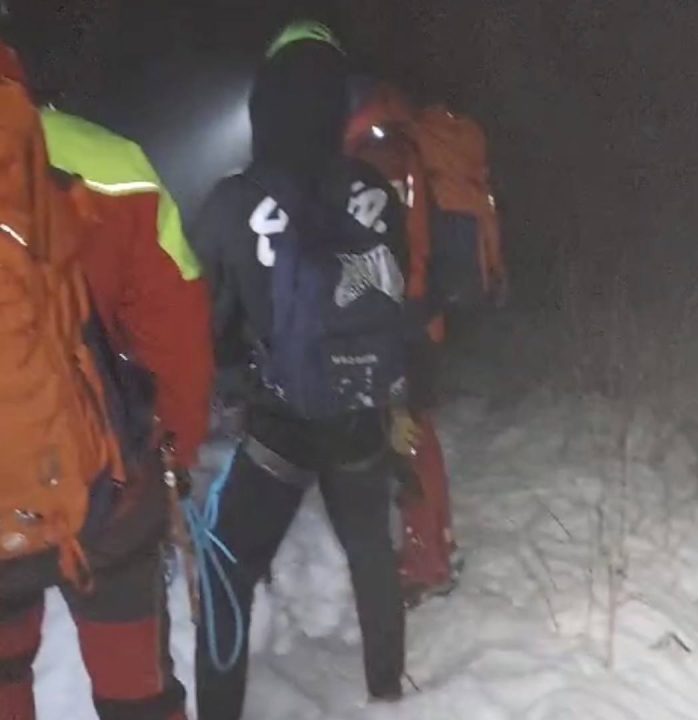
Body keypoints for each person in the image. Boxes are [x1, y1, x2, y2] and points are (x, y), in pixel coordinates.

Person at [192, 21, 408, 719]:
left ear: (265, 103)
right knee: (371, 554)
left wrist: (231, 379)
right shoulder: (376, 191)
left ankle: (218, 710)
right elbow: (399, 294)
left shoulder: (234, 199)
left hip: (278, 421)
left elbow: (206, 319)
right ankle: (387, 691)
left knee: (225, 567)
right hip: (360, 411)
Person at [0, 39, 213, 720]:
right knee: (137, 691)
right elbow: (177, 332)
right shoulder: (110, 162)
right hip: (108, 494)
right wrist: (174, 451)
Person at [345, 81, 462, 605]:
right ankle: (438, 542)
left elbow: (383, 248)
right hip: (419, 316)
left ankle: (425, 564)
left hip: (401, 320)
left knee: (407, 436)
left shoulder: (379, 154)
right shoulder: (400, 144)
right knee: (417, 432)